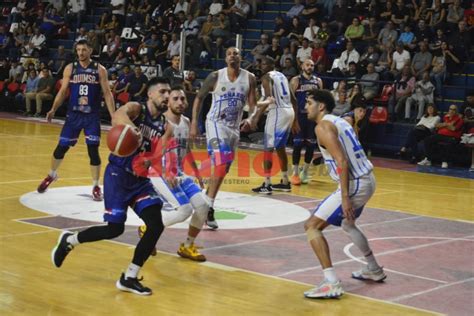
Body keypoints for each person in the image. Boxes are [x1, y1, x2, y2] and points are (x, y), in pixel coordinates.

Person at [51, 77, 173, 295]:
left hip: (140, 181)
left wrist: (153, 161)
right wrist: (132, 130)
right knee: (114, 229)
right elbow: (117, 115)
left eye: (169, 93)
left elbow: (158, 153)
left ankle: (129, 276)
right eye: (162, 92)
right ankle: (70, 240)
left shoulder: (165, 126)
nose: (166, 96)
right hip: (117, 175)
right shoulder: (137, 108)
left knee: (156, 225)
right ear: (151, 94)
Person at [303, 89, 385, 299]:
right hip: (368, 178)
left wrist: (345, 197)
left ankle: (331, 282)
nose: (305, 107)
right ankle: (374, 268)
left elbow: (342, 161)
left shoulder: (323, 126)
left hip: (355, 183)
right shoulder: (342, 122)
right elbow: (346, 150)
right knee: (348, 224)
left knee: (311, 226)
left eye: (309, 103)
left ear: (321, 106)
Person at [37, 40, 115, 201]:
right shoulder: (70, 68)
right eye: (78, 50)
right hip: (73, 115)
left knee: (93, 151)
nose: (80, 53)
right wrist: (53, 109)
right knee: (61, 148)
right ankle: (52, 174)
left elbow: (107, 93)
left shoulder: (100, 70)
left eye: (84, 50)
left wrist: (113, 115)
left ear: (90, 50)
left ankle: (95, 185)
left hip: (91, 116)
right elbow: (63, 91)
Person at [139, 86, 210, 261]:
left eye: (183, 99)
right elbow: (151, 154)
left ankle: (187, 246)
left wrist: (197, 173)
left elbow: (185, 150)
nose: (180, 102)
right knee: (184, 210)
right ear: (168, 102)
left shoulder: (185, 122)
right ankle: (148, 229)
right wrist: (165, 172)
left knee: (202, 206)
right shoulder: (161, 124)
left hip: (177, 172)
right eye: (175, 99)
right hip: (158, 172)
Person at [190, 47, 257, 230]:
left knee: (224, 167)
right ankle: (208, 206)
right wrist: (195, 123)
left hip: (234, 128)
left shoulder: (249, 77)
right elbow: (198, 98)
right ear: (225, 58)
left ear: (240, 57)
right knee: (221, 159)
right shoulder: (215, 76)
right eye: (229, 54)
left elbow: (253, 105)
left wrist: (251, 118)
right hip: (215, 123)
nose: (232, 56)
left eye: (235, 53)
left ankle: (205, 199)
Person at [252, 57, 295, 194]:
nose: (262, 66)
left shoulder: (266, 77)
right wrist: (296, 121)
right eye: (261, 63)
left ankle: (267, 183)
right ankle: (285, 181)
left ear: (272, 65)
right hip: (289, 111)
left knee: (268, 149)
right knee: (280, 147)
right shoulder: (282, 76)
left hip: (278, 112)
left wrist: (256, 117)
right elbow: (293, 99)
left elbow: (269, 99)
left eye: (264, 63)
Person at [289, 58, 323, 185]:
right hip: (300, 116)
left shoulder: (318, 81)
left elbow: (321, 101)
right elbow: (290, 100)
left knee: (310, 145)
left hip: (312, 117)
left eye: (312, 65)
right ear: (302, 66)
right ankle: (295, 173)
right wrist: (293, 118)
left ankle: (305, 172)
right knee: (297, 145)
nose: (310, 67)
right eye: (308, 65)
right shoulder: (296, 80)